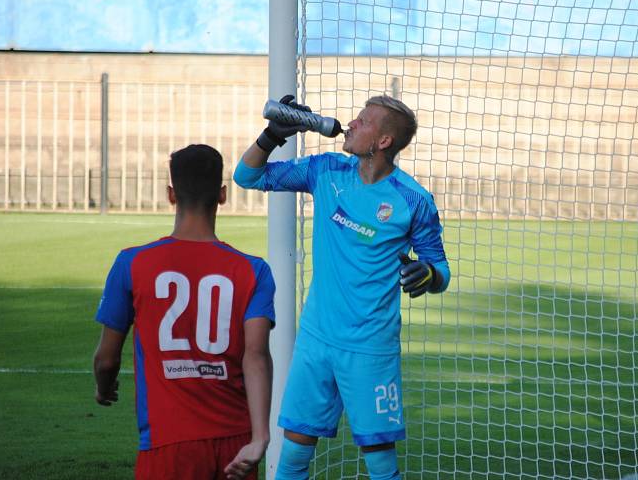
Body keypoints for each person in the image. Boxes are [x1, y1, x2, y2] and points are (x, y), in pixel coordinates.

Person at [234, 95, 451, 480]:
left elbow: (441, 271)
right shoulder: (327, 170)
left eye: (363, 121)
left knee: (381, 463)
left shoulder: (413, 200)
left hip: (371, 347)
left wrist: (429, 275)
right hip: (316, 339)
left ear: (383, 141)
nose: (350, 124)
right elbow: (247, 176)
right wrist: (272, 135)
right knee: (293, 456)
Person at [93, 144, 276, 480]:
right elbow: (257, 356)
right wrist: (260, 437)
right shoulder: (254, 271)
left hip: (168, 440)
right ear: (222, 196)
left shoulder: (132, 263)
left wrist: (104, 389)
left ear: (170, 194)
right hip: (236, 444)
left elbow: (107, 359)